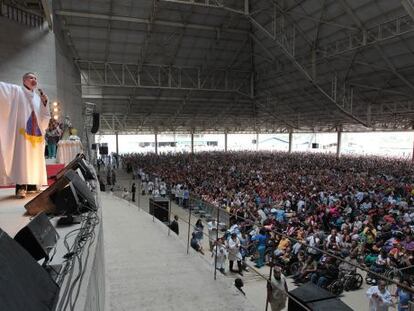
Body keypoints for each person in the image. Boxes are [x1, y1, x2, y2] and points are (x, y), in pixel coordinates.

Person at [0, 72, 50, 198]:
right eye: (31, 77)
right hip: (21, 134)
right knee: (22, 158)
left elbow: (44, 116)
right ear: (24, 80)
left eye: (35, 78)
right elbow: (2, 90)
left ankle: (32, 185)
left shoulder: (38, 98)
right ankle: (21, 187)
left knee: (34, 159)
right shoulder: (16, 91)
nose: (34, 79)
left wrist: (45, 103)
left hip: (35, 135)